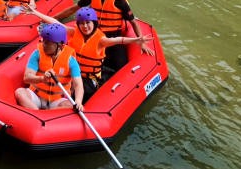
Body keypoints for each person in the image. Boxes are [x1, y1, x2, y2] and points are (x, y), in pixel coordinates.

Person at [24, 6, 152, 102]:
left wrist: (136, 40)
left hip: (89, 78)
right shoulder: (74, 33)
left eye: (87, 23)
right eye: (82, 23)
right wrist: (36, 13)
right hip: (71, 73)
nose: (85, 26)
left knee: (73, 92)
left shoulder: (101, 40)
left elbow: (118, 40)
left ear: (94, 23)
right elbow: (55, 23)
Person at [55, 0, 153, 75]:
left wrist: (141, 42)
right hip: (95, 35)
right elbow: (73, 8)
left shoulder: (119, 1)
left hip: (113, 37)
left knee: (121, 66)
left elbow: (133, 22)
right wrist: (56, 17)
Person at [14, 23, 84, 111]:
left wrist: (78, 101)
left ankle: (46, 115)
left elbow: (78, 84)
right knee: (19, 92)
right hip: (36, 95)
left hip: (57, 100)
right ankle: (37, 112)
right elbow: (27, 77)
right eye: (43, 41)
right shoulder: (37, 54)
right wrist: (42, 79)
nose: (43, 44)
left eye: (48, 43)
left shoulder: (71, 61)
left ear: (60, 45)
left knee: (69, 105)